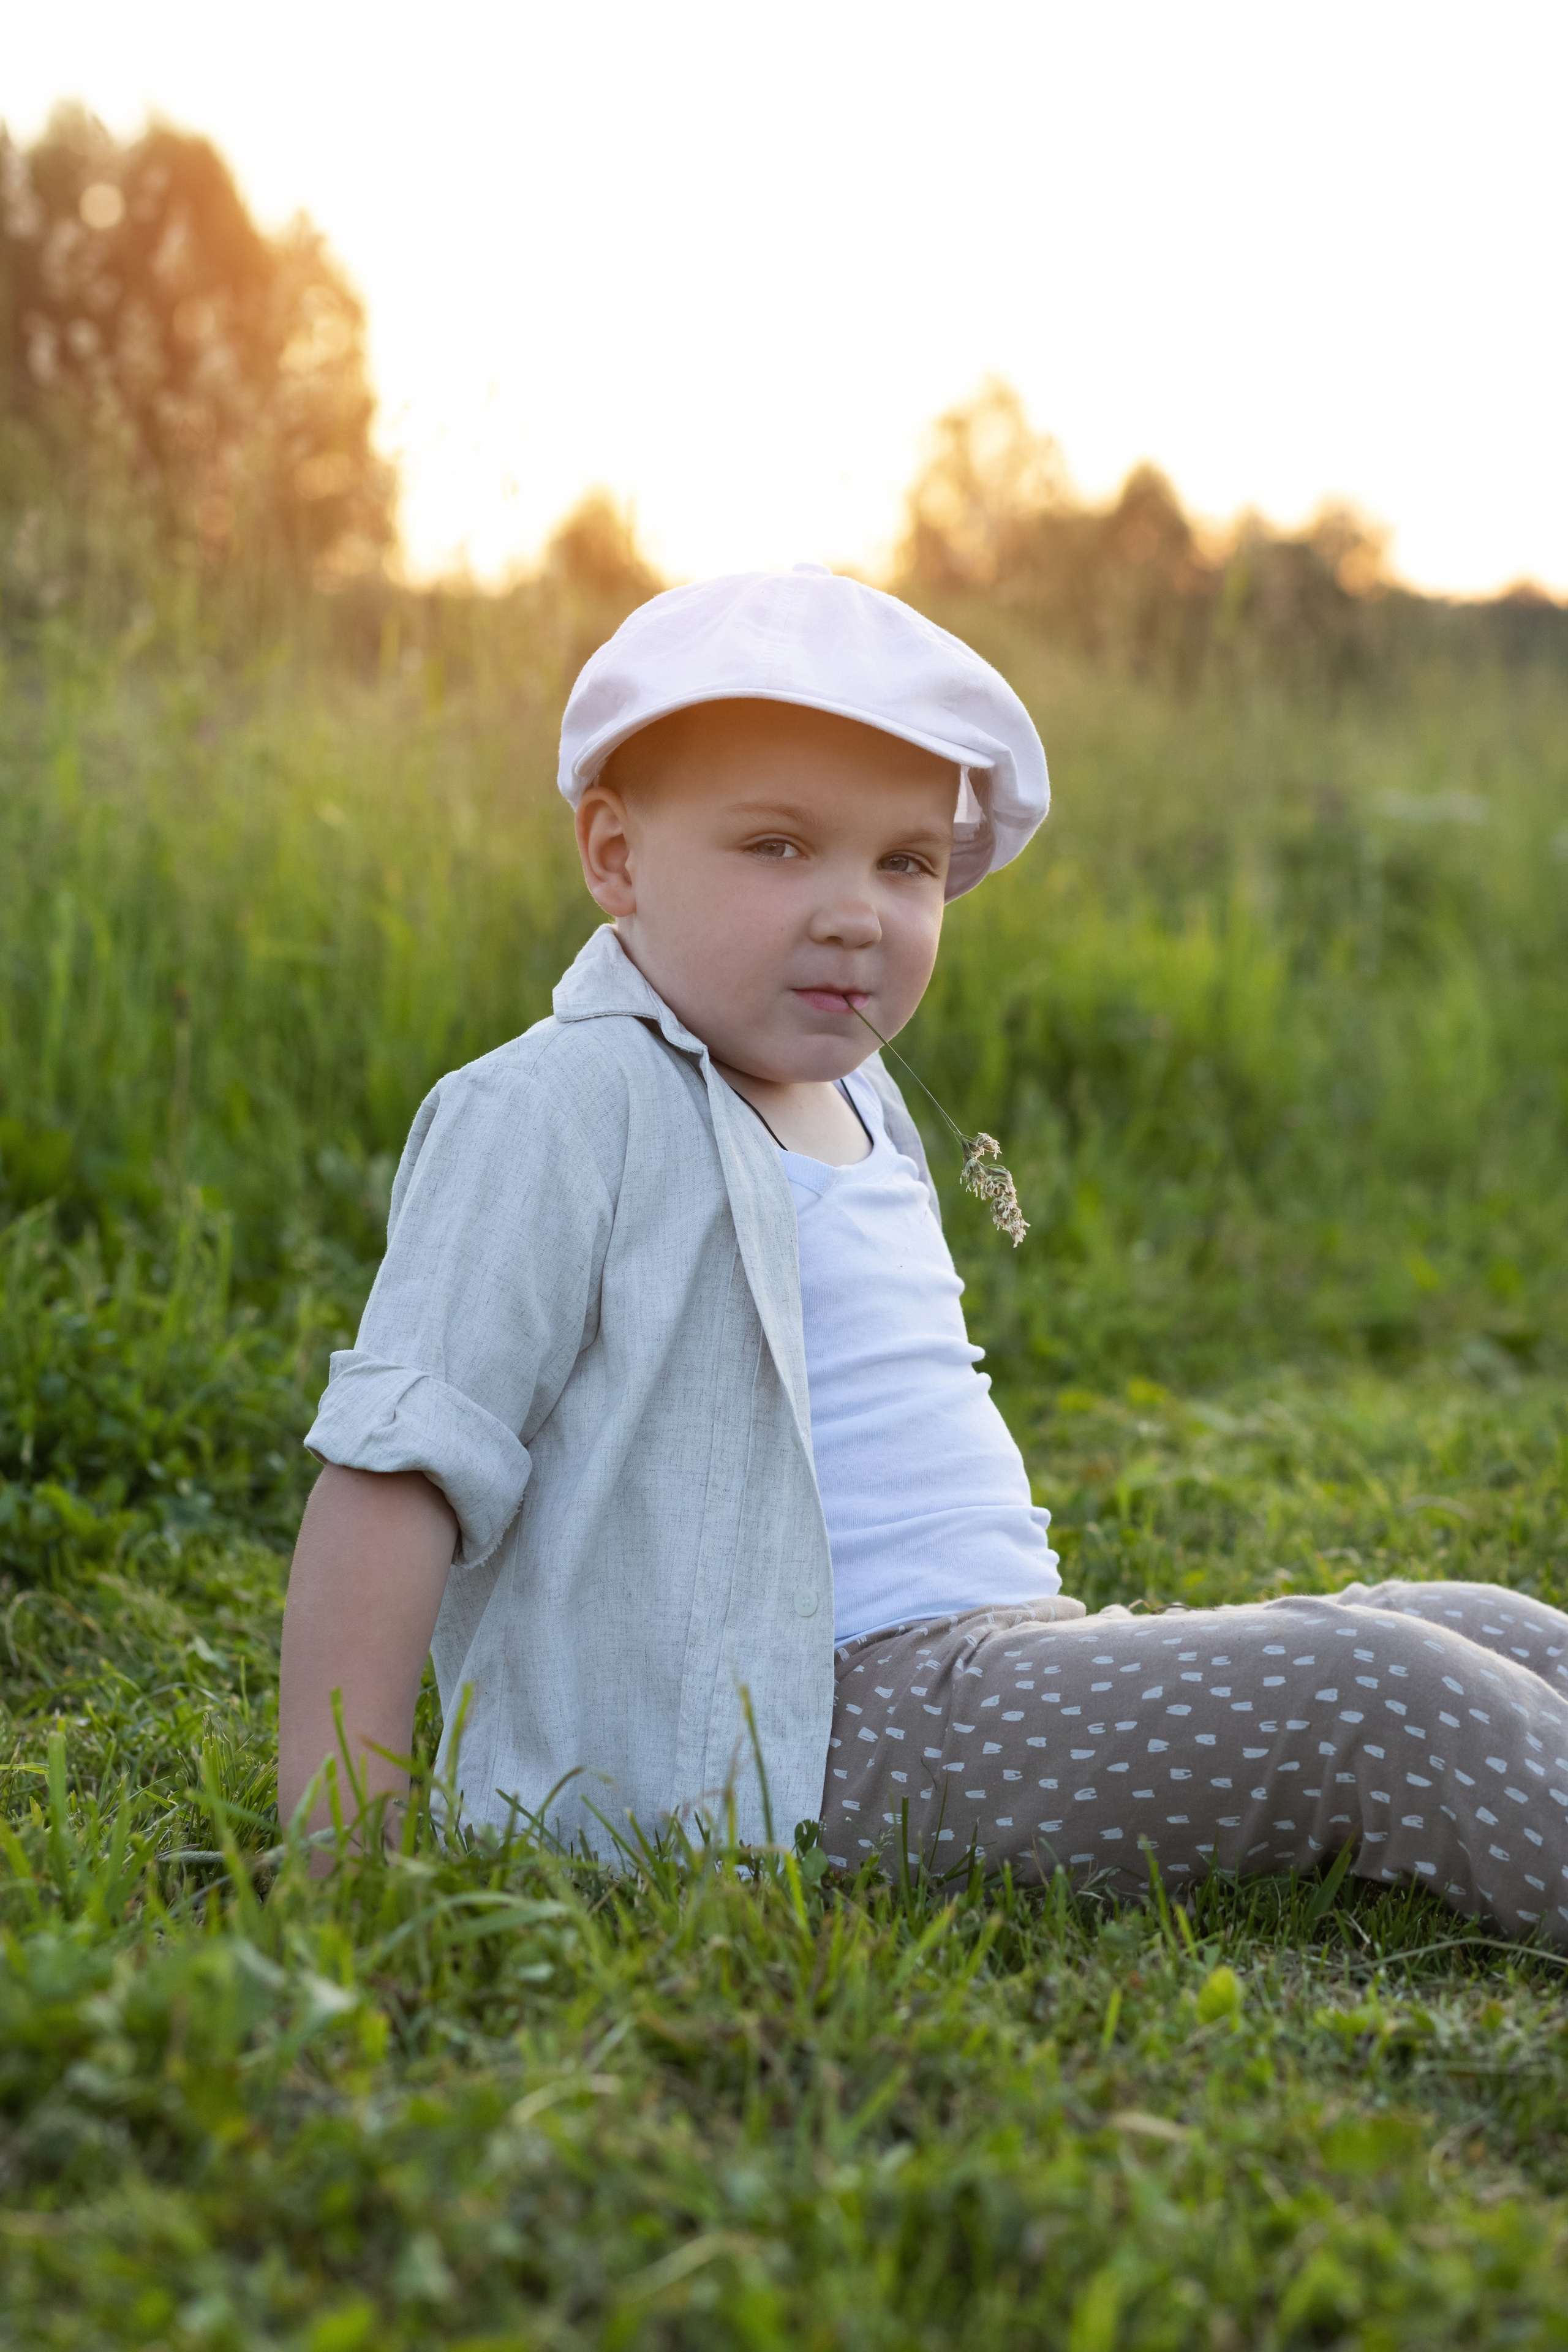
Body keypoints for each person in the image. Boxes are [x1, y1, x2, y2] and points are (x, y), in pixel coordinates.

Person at [279, 565, 1568, 1943]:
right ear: (613, 855)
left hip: (991, 1661)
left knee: (1486, 1625)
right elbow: (403, 1461)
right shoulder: (555, 1109)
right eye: (777, 847)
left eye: (903, 863)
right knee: (1377, 1694)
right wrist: (339, 1847)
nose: (856, 913)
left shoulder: (855, 1094)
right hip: (794, 1729)